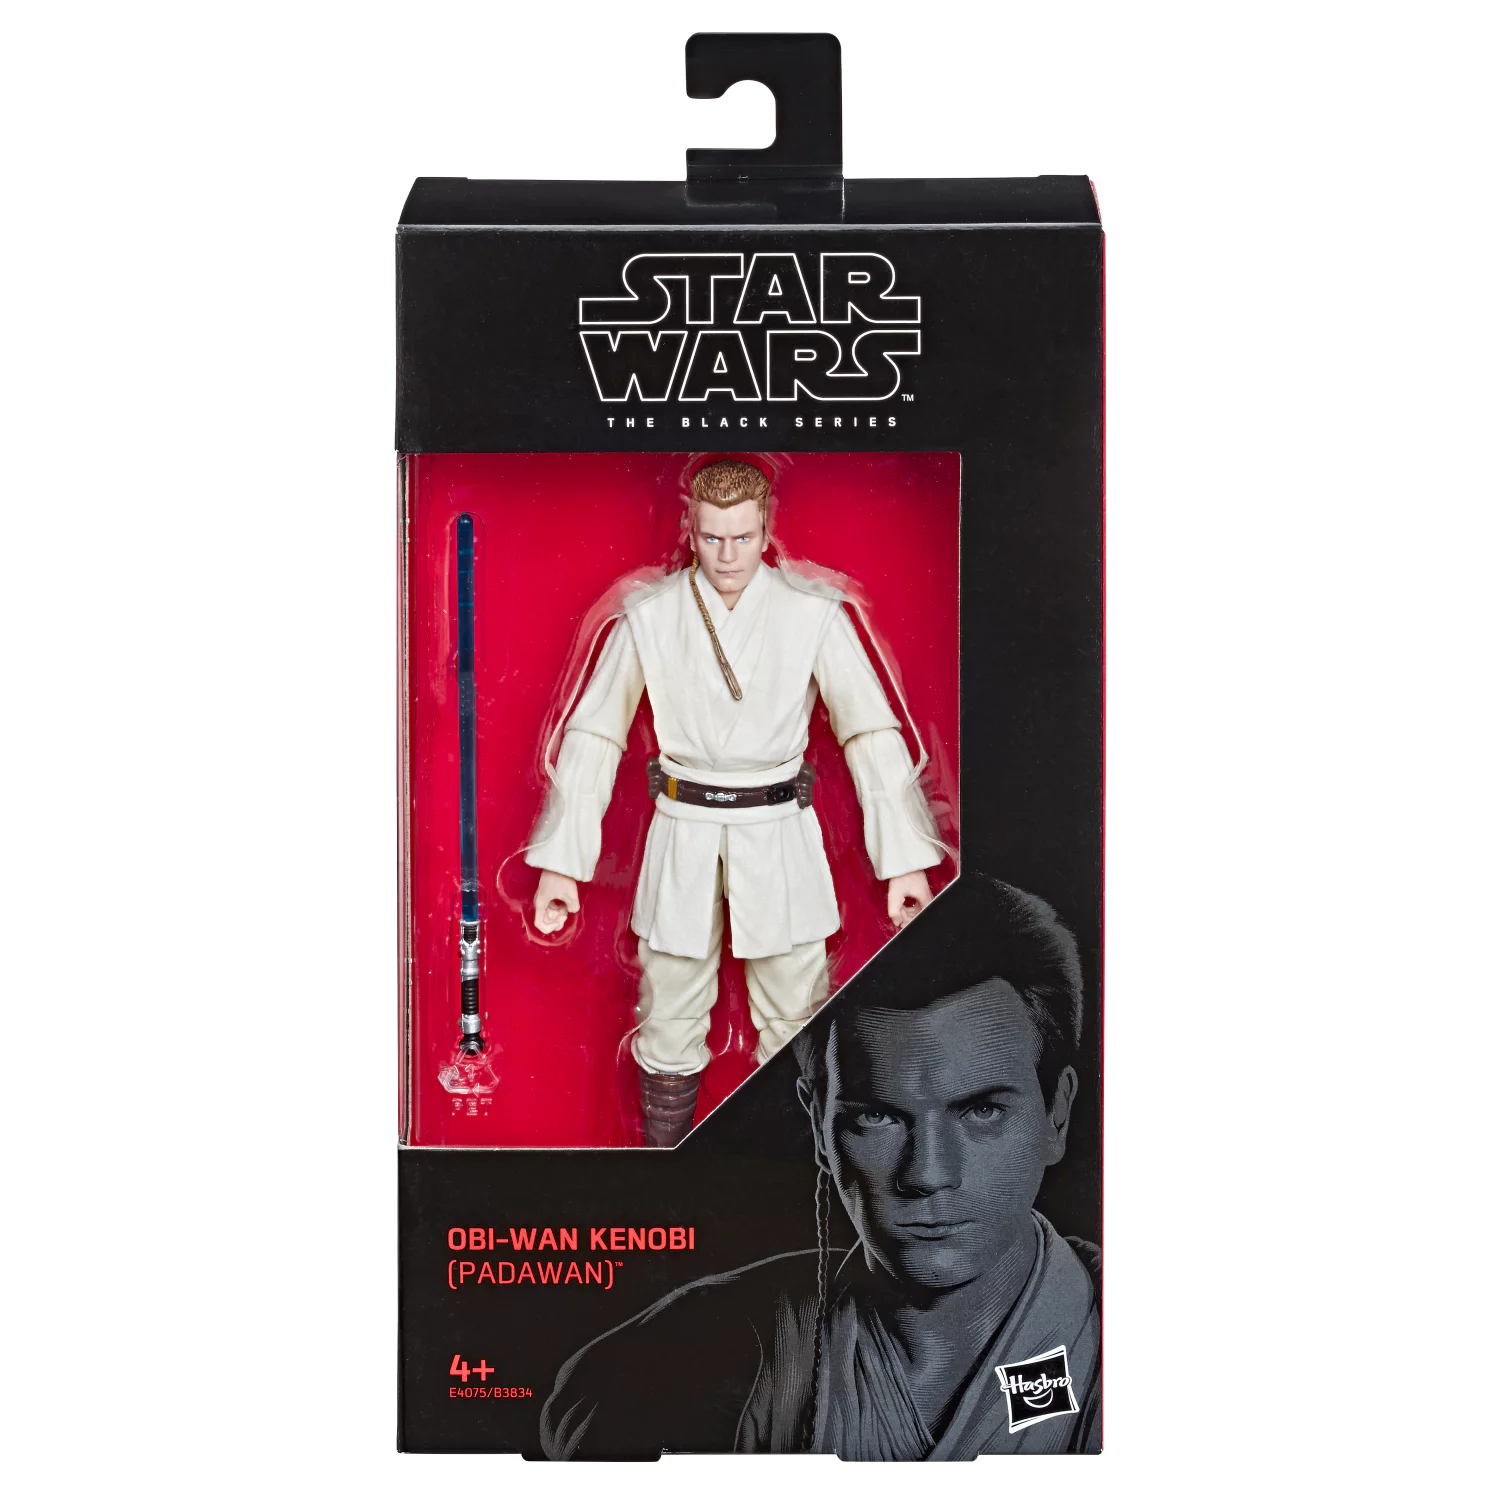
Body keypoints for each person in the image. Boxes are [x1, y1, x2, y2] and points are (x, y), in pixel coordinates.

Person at [540, 875, 1101, 1458]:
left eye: (982, 1111)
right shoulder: (673, 1361)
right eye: (878, 1118)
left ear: (1057, 1113)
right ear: (819, 1123)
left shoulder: (1136, 1354)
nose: (928, 1173)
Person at [525, 459, 943, 1145]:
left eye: (742, 538)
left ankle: (796, 1177)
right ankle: (666, 1170)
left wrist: (903, 860)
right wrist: (561, 865)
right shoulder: (650, 616)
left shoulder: (813, 614)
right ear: (689, 530)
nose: (727, 556)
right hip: (683, 830)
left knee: (797, 1014)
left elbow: (870, 731)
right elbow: (594, 735)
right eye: (712, 538)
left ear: (767, 529)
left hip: (778, 830)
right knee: (668, 1011)